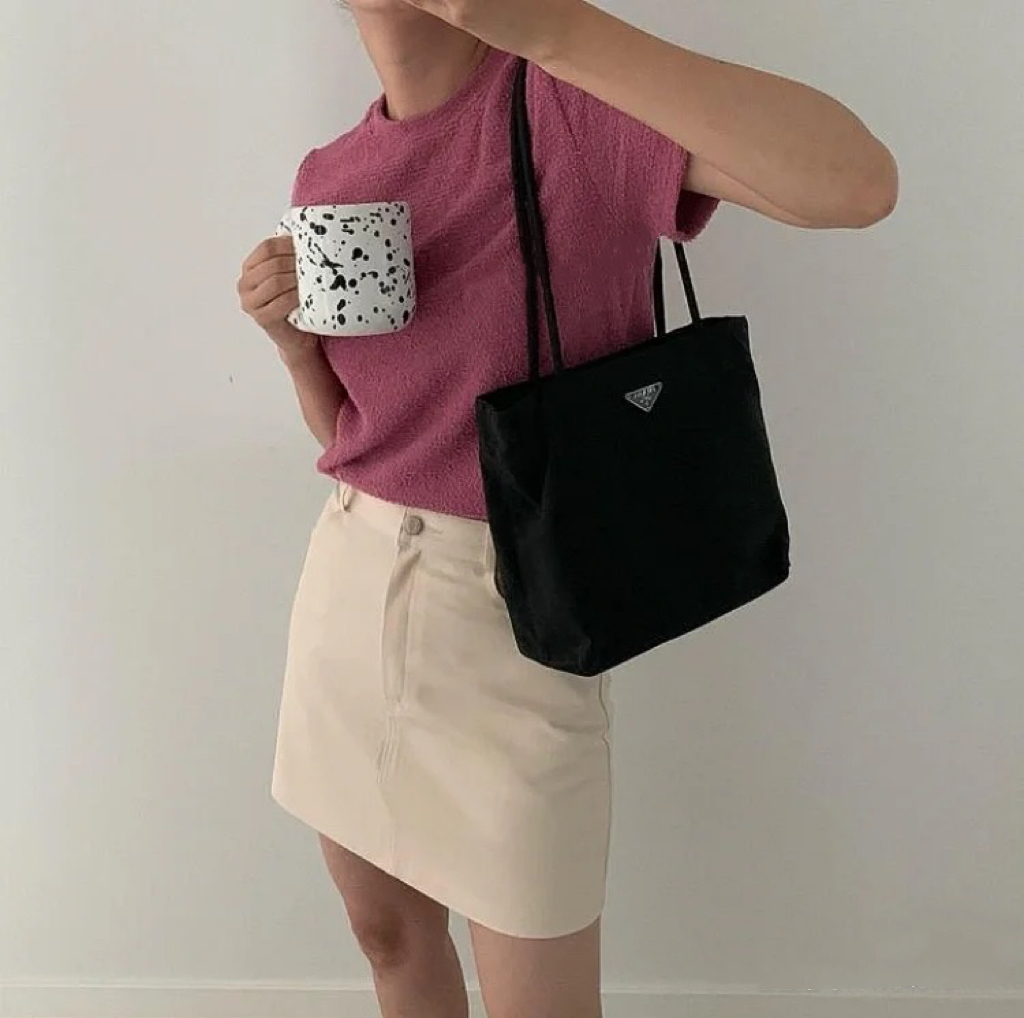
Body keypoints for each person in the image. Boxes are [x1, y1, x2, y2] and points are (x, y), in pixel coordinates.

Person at [237, 1, 897, 1015]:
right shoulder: (333, 177)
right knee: (386, 934)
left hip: (520, 616)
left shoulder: (572, 106)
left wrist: (548, 25)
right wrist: (294, 349)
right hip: (349, 591)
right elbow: (355, 438)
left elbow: (856, 185)